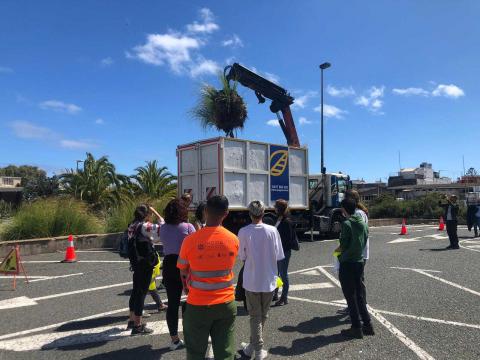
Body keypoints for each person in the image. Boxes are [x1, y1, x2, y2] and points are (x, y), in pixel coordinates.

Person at [177, 195, 239, 360]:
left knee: (195, 352)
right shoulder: (233, 239)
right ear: (226, 214)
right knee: (225, 352)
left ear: (205, 211)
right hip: (226, 303)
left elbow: (183, 271)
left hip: (197, 304)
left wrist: (187, 287)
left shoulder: (189, 241)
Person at [238, 200, 284, 360]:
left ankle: (256, 350)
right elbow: (279, 256)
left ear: (250, 214)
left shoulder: (243, 232)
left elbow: (242, 257)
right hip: (270, 279)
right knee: (263, 315)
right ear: (263, 213)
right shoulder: (273, 231)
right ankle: (253, 347)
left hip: (251, 280)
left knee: (255, 316)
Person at [159, 199, 195, 350]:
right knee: (191, 301)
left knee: (172, 304)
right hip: (186, 265)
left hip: (168, 264)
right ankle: (190, 335)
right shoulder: (187, 227)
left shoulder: (163, 228)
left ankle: (174, 339)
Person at [336, 198, 374, 339]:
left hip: (347, 262)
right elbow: (365, 239)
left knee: (350, 297)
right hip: (359, 260)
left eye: (342, 209)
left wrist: (337, 252)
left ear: (345, 209)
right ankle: (368, 324)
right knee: (359, 295)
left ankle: (356, 327)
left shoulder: (346, 224)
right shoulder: (363, 223)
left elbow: (343, 244)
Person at [127, 204, 163, 335]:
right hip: (145, 263)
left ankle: (131, 320)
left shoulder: (132, 225)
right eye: (150, 213)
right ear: (146, 214)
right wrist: (158, 214)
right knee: (142, 293)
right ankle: (138, 325)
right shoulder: (144, 226)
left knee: (136, 291)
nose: (152, 215)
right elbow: (162, 228)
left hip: (135, 262)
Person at [338, 190, 369, 315]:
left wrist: (341, 250)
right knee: (357, 283)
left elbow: (356, 236)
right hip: (358, 253)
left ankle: (360, 310)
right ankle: (357, 308)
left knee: (357, 285)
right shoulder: (359, 213)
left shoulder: (358, 214)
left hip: (356, 255)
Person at [272, 199, 296, 307]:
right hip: (277, 251)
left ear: (279, 208)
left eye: (275, 206)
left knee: (283, 274)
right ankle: (275, 293)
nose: (274, 208)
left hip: (284, 251)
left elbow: (288, 239)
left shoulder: (287, 222)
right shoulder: (279, 219)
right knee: (276, 273)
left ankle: (284, 297)